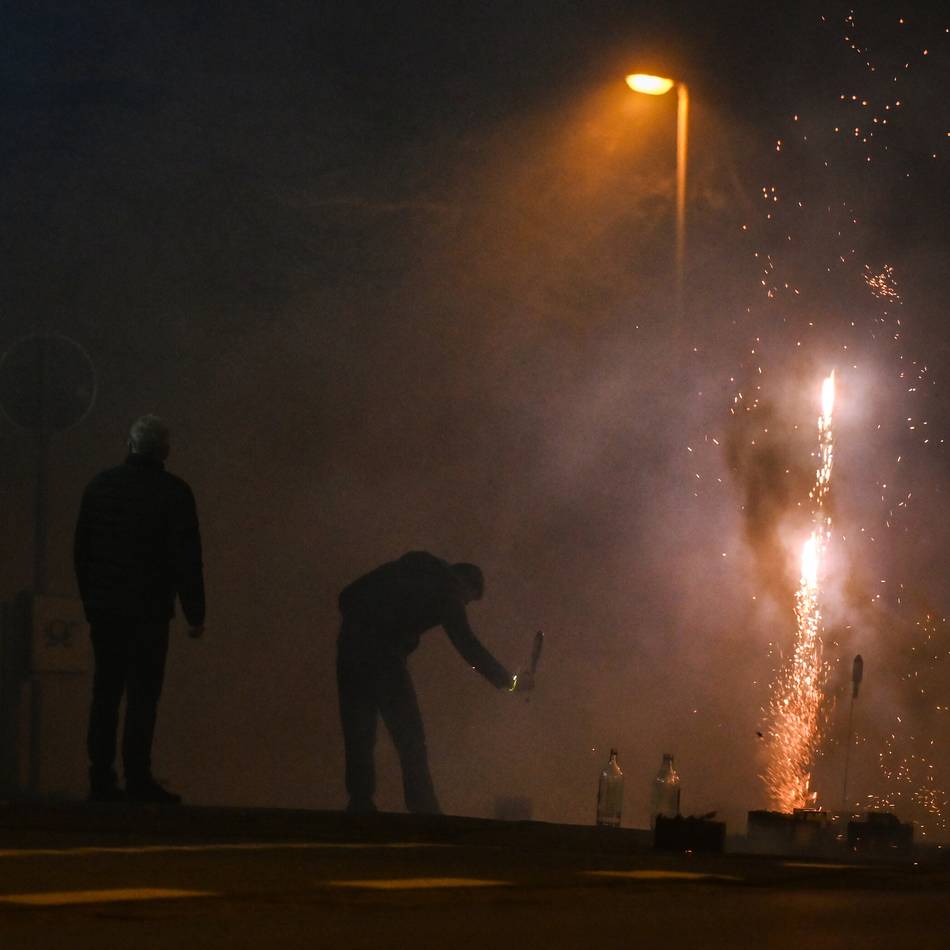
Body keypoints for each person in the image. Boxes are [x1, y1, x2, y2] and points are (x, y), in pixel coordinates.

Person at [336, 550, 532, 815]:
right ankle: (423, 808)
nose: (464, 606)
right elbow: (467, 644)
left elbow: (346, 596)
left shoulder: (408, 572)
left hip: (349, 650)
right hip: (384, 656)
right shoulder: (448, 590)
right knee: (409, 735)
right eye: (468, 600)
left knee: (359, 730)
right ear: (466, 584)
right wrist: (508, 682)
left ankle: (360, 802)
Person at [74, 414, 205, 804]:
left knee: (106, 690)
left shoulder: (100, 487)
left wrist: (90, 600)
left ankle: (100, 776)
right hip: (150, 609)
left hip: (106, 608)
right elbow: (186, 558)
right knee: (143, 694)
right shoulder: (175, 493)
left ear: (129, 444)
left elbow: (82, 550)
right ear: (165, 451)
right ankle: (137, 776)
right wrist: (195, 612)